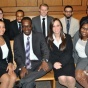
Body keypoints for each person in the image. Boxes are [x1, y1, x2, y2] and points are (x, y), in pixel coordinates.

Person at [14, 17, 52, 88]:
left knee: (49, 65)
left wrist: (44, 61)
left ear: (31, 26)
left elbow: (45, 50)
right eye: (24, 26)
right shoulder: (17, 38)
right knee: (29, 84)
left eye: (28, 26)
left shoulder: (39, 35)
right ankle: (27, 81)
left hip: (38, 63)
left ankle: (21, 82)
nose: (26, 29)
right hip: (25, 64)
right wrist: (22, 66)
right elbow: (16, 56)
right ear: (21, 27)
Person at [47, 18, 76, 88]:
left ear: (61, 26)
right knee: (62, 79)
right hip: (55, 63)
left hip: (68, 61)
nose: (56, 28)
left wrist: (61, 63)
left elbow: (69, 53)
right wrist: (54, 63)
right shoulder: (47, 39)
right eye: (53, 26)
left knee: (70, 79)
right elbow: (48, 54)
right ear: (51, 28)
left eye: (58, 25)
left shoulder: (68, 37)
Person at [0, 20, 17, 88]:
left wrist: (10, 63)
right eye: (0, 27)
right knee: (6, 79)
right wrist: (7, 68)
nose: (2, 29)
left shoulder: (6, 38)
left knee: (13, 77)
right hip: (1, 66)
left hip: (5, 64)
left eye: (3, 27)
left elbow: (10, 54)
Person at [73, 19, 88, 88]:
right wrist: (75, 62)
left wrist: (86, 69)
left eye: (87, 29)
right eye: (83, 28)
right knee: (78, 76)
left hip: (87, 59)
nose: (84, 31)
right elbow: (74, 50)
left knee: (83, 75)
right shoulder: (77, 34)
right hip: (80, 59)